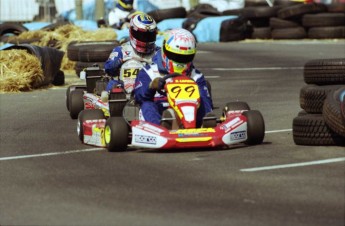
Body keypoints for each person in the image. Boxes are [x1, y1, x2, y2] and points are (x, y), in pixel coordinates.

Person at [134, 28, 213, 128]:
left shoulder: (196, 76)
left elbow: (206, 102)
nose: (180, 61)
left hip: (190, 109)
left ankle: (205, 125)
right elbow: (138, 98)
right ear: (164, 52)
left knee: (203, 101)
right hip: (161, 108)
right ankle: (161, 127)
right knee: (147, 105)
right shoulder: (149, 72)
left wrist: (207, 113)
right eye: (175, 56)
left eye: (185, 58)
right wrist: (151, 87)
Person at [104, 13, 160, 92]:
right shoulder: (121, 50)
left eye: (149, 36)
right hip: (123, 88)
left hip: (148, 87)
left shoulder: (157, 52)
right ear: (132, 31)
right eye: (141, 35)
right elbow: (108, 68)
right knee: (113, 84)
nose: (145, 39)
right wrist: (119, 62)